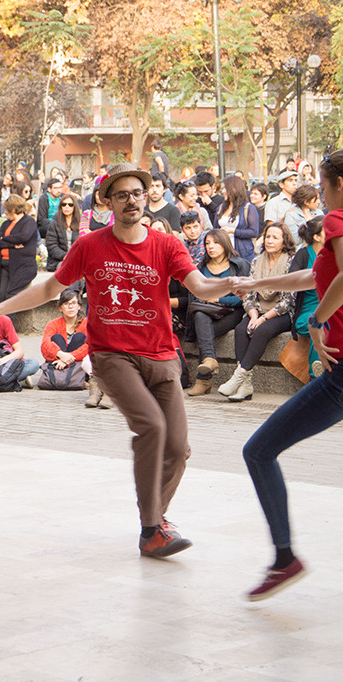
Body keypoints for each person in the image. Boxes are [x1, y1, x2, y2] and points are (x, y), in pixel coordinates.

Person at [0, 163, 239, 559]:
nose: (132, 200)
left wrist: (233, 283)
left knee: (178, 448)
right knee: (151, 428)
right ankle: (151, 528)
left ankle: (156, 521)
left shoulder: (167, 245)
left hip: (162, 354)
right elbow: (48, 287)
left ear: (146, 199)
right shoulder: (91, 245)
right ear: (107, 202)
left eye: (138, 193)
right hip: (113, 355)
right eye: (122, 194)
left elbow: (199, 286)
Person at [234, 151, 343, 601]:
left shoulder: (337, 219)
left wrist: (316, 322)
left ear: (335, 182)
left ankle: (284, 558)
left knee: (259, 451)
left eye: (321, 183)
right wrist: (258, 285)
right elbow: (315, 274)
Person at [218, 222, 296, 402]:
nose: (270, 241)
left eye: (275, 238)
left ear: (284, 242)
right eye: (268, 236)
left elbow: (288, 301)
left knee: (261, 330)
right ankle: (246, 386)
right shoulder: (256, 261)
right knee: (240, 330)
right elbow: (249, 295)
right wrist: (253, 315)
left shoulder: (290, 262)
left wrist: (262, 319)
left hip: (281, 313)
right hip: (258, 309)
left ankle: (239, 376)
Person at [186, 229, 250, 395]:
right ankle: (209, 360)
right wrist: (206, 299)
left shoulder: (239, 265)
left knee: (204, 331)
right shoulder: (200, 268)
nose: (210, 247)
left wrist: (219, 300)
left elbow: (244, 298)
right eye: (207, 243)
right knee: (200, 317)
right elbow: (195, 295)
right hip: (205, 311)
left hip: (231, 312)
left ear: (225, 243)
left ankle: (203, 380)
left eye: (215, 243)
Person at [40, 288, 107, 403]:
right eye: (66, 304)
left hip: (77, 364)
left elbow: (89, 345)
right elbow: (45, 344)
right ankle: (62, 376)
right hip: (58, 362)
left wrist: (68, 358)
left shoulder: (87, 323)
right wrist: (60, 354)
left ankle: (78, 378)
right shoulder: (53, 324)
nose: (70, 307)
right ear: (60, 308)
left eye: (73, 303)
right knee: (56, 338)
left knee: (80, 337)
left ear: (79, 306)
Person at [288, 216, 324, 378]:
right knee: (320, 324)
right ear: (317, 237)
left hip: (333, 308)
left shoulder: (337, 253)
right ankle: (315, 375)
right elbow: (291, 281)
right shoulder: (304, 254)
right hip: (307, 312)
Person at [0, 194, 39, 303]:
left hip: (21, 266)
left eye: (7, 210)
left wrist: (5, 238)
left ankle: (8, 320)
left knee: (10, 297)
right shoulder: (6, 223)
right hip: (5, 265)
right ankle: (1, 320)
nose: (5, 212)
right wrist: (12, 245)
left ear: (12, 209)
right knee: (0, 296)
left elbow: (23, 237)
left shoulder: (28, 221)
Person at [215, 175, 260, 262]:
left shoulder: (248, 208)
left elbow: (254, 232)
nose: (223, 191)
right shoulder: (220, 208)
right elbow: (215, 229)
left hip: (243, 253)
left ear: (234, 189)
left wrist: (233, 231)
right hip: (223, 253)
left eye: (226, 188)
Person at [44, 194, 81, 272]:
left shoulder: (81, 223)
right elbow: (51, 245)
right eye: (64, 204)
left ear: (74, 207)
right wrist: (66, 256)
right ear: (61, 207)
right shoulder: (54, 223)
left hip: (77, 259)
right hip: (58, 261)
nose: (67, 207)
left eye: (70, 205)